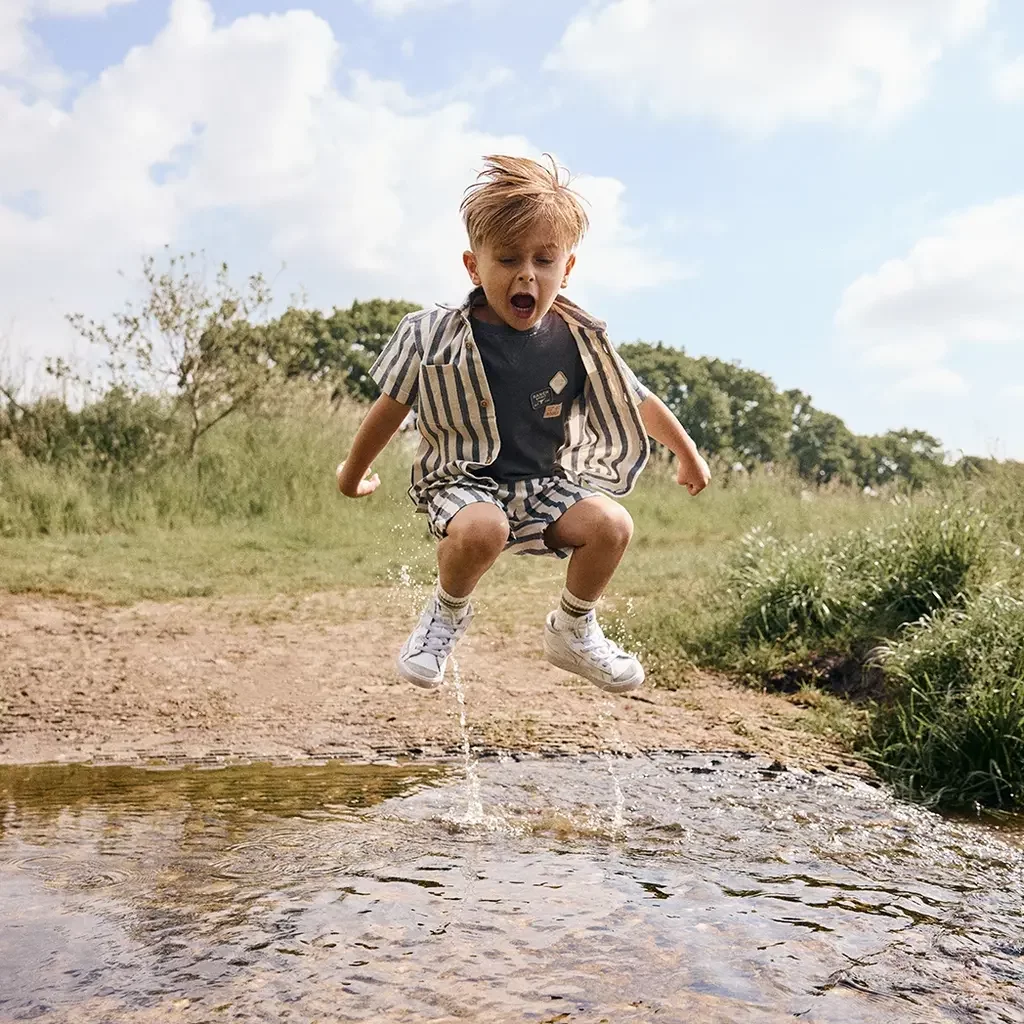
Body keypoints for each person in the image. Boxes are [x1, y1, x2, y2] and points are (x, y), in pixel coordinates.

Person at [337, 155, 710, 694]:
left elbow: (638, 398)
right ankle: (445, 613)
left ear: (568, 268)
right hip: (463, 484)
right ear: (473, 266)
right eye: (508, 259)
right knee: (485, 527)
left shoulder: (580, 338)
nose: (526, 275)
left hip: (541, 487)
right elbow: (390, 408)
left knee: (612, 525)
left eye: (543, 259)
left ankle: (573, 628)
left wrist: (686, 450)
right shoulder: (431, 335)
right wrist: (352, 473)